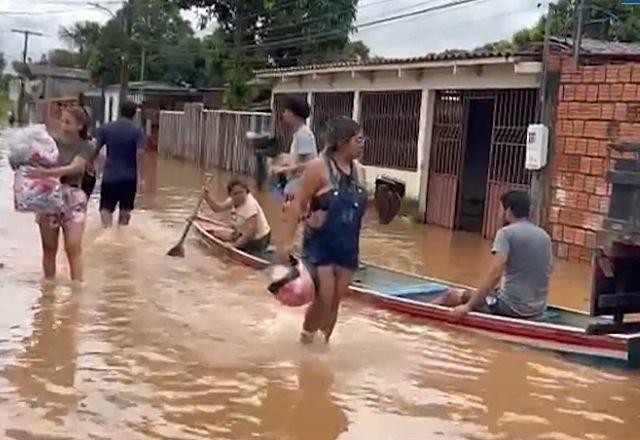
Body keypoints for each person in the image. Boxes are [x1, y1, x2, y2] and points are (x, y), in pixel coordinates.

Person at [277, 116, 367, 344]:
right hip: (320, 242)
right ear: (343, 142)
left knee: (336, 298)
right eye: (358, 139)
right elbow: (299, 203)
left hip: (347, 244)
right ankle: (306, 339)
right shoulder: (318, 167)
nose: (363, 143)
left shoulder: (360, 172)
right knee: (324, 295)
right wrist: (287, 241)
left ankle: (323, 343)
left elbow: (362, 207)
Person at [436, 190, 553, 320]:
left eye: (500, 210)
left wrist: (468, 306)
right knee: (488, 292)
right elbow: (545, 271)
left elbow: (495, 274)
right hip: (537, 310)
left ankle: (422, 314)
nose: (498, 214)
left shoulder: (506, 233)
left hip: (510, 308)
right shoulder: (544, 236)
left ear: (508, 211)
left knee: (452, 295)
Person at [26, 106, 93, 282]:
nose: (63, 125)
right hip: (48, 195)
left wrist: (48, 173)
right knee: (49, 247)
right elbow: (33, 160)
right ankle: (48, 289)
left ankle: (77, 288)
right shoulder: (50, 143)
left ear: (80, 126)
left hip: (74, 196)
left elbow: (77, 167)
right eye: (62, 121)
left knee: (73, 246)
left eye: (68, 122)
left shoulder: (86, 146)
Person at [93, 101, 145, 228]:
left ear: (120, 111)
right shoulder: (137, 131)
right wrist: (141, 176)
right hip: (129, 178)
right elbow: (140, 153)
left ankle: (107, 232)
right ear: (134, 115)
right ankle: (121, 236)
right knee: (125, 210)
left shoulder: (106, 128)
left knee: (105, 208)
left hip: (109, 177)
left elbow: (95, 149)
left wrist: (89, 164)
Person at [200, 178, 271, 254]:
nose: (239, 196)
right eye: (235, 194)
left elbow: (251, 232)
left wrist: (234, 245)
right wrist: (207, 197)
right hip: (245, 233)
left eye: (241, 192)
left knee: (226, 247)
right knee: (219, 234)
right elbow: (217, 209)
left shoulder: (250, 205)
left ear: (246, 191)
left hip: (260, 239)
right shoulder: (232, 201)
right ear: (230, 195)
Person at [271, 96, 318, 200]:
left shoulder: (304, 134)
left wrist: (282, 169)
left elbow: (307, 165)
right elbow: (300, 160)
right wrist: (285, 158)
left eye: (286, 111)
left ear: (293, 114)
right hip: (296, 185)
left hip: (301, 187)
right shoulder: (299, 133)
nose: (284, 114)